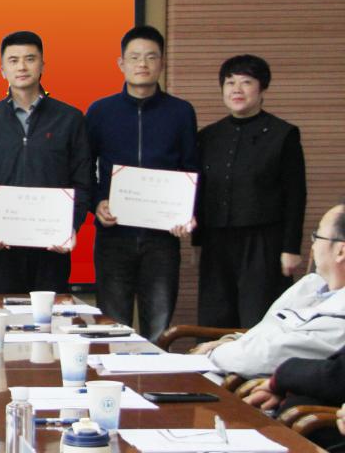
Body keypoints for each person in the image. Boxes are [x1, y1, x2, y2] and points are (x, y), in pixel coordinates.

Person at [85, 25, 198, 342]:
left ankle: (154, 374)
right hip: (114, 236)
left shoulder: (181, 112)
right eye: (134, 57)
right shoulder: (100, 111)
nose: (142, 64)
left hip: (162, 238)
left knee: (158, 329)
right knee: (112, 328)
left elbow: (191, 167)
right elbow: (83, 167)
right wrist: (96, 202)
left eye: (151, 57)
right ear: (121, 63)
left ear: (162, 62)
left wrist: (187, 212)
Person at [0, 31, 91, 294]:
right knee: (4, 312)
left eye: (30, 59)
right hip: (3, 243)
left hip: (53, 244)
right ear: (2, 70)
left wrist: (71, 225)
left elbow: (83, 178)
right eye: (13, 60)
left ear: (42, 65)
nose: (22, 67)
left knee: (51, 315)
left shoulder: (69, 118)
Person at [195, 54, 306, 328]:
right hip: (216, 241)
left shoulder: (283, 134)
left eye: (246, 82)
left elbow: (296, 195)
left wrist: (291, 248)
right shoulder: (208, 136)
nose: (237, 89)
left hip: (263, 242)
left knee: (258, 317)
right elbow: (199, 190)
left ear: (262, 88)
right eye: (230, 82)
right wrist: (198, 241)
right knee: (214, 318)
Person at [192, 202, 345, 378]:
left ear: (341, 251)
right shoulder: (311, 284)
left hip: (245, 383)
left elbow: (269, 357)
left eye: (317, 236)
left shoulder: (339, 319)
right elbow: (266, 329)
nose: (313, 246)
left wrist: (214, 354)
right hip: (227, 367)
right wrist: (232, 340)